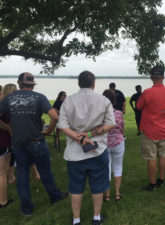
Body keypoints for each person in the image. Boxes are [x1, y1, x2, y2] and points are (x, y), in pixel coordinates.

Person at [0, 73, 66, 215]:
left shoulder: (8, 98)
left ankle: (26, 208)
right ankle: (55, 196)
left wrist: (8, 127)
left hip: (17, 143)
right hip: (37, 141)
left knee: (22, 175)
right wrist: (48, 130)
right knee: (45, 171)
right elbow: (55, 116)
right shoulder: (39, 97)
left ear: (19, 83)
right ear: (33, 84)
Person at [59, 71, 115, 225]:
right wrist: (89, 135)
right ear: (93, 83)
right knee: (97, 186)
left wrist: (80, 138)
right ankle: (96, 217)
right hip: (98, 151)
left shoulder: (68, 101)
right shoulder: (104, 100)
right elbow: (111, 124)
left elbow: (62, 126)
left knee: (76, 187)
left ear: (78, 83)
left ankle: (76, 219)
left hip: (74, 154)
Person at [137, 65, 165, 191]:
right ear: (163, 77)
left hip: (149, 130)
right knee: (162, 155)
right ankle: (161, 179)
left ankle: (152, 184)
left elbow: (139, 106)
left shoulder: (147, 92)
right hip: (163, 129)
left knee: (151, 157)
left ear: (151, 77)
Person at [102, 90, 125, 202]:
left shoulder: (100, 115)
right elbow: (122, 129)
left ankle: (107, 195)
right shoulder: (119, 113)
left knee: (107, 168)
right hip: (118, 143)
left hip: (105, 144)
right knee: (118, 167)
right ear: (114, 101)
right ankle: (116, 194)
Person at [0, 84, 17, 208]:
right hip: (4, 142)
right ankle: (3, 201)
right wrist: (9, 127)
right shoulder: (7, 106)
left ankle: (11, 177)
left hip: (5, 141)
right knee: (2, 174)